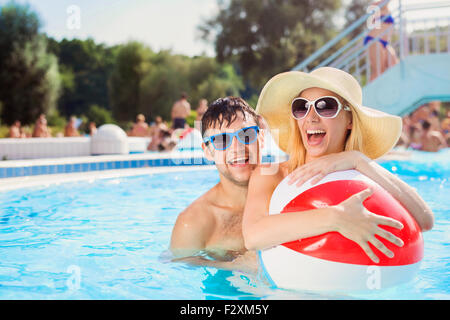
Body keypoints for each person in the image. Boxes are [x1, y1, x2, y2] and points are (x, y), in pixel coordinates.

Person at [243, 67, 434, 265]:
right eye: (302, 107)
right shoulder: (272, 173)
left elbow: (425, 219)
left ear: (349, 120)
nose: (311, 117)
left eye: (325, 106)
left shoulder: (361, 176)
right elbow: (253, 235)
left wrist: (358, 160)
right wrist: (336, 218)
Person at [365, 0, 399, 81]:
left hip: (385, 43)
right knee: (378, 70)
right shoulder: (378, 5)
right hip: (374, 40)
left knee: (394, 66)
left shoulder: (386, 8)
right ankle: (368, 93)